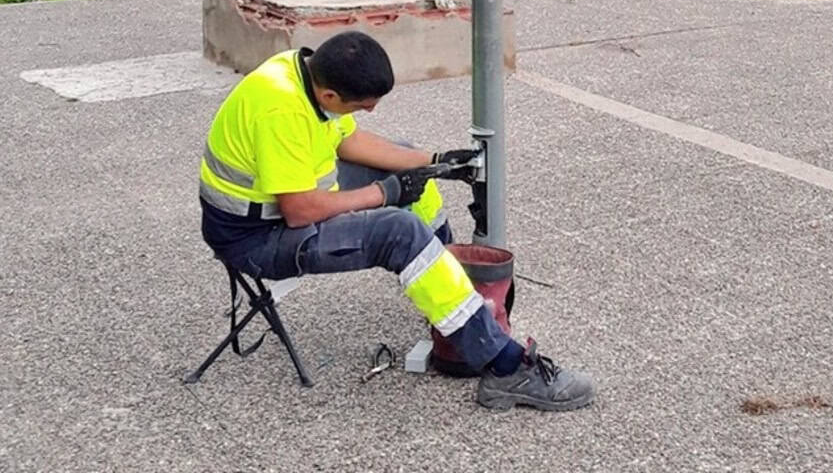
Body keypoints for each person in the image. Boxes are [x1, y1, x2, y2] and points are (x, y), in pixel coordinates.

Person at [197, 30, 594, 412]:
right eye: (362, 105)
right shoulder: (280, 107)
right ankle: (506, 368)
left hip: (278, 209)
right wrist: (384, 194)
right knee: (398, 231)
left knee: (412, 173)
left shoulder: (304, 74)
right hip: (258, 238)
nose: (370, 110)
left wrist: (434, 162)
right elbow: (299, 211)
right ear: (331, 94)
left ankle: (453, 294)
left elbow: (347, 142)